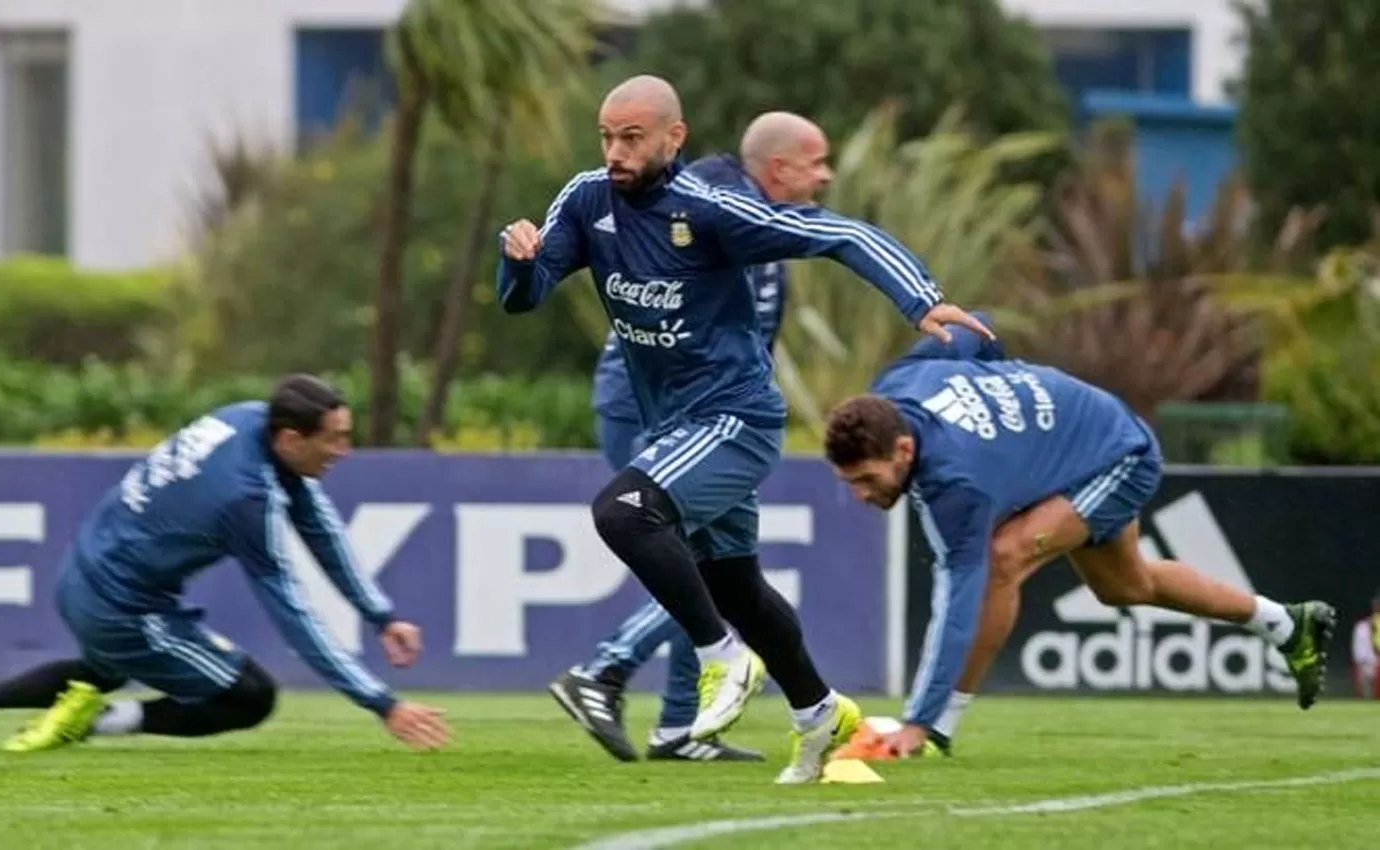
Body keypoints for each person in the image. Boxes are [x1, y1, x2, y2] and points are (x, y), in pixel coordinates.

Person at [497, 74, 991, 783]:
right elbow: (529, 294)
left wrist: (922, 300)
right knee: (737, 587)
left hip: (738, 418)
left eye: (631, 137)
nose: (615, 151)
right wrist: (514, 261)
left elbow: (838, 232)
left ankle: (719, 657)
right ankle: (820, 718)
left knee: (624, 511)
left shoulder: (709, 210)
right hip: (680, 423)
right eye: (607, 136)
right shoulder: (585, 198)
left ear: (676, 137)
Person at [820, 315, 1337, 758]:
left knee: (1003, 558)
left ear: (904, 451)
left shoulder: (957, 485)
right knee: (1125, 587)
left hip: (1117, 454)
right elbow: (967, 326)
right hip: (1084, 435)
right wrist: (1002, 386)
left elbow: (958, 599)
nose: (863, 496)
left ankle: (939, 730)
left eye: (868, 480)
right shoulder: (898, 383)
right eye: (851, 484)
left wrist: (916, 718)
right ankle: (1286, 624)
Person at [0, 375, 450, 753]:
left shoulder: (250, 418)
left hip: (87, 573)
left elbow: (317, 522)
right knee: (251, 696)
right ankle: (94, 723)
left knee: (102, 669)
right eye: (334, 440)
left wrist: (378, 614)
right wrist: (383, 703)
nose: (342, 452)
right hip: (124, 607)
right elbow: (293, 615)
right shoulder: (244, 499)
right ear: (291, 438)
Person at [551, 112, 818, 764]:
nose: (825, 175)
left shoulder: (752, 214)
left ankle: (679, 729)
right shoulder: (706, 200)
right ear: (779, 167)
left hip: (712, 408)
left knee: (724, 569)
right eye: (816, 162)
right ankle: (605, 669)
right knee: (683, 551)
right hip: (653, 407)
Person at [1353, 590, 1380, 699]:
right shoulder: (1362, 626)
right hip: (1368, 661)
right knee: (1367, 682)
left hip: (1376, 660)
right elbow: (1358, 648)